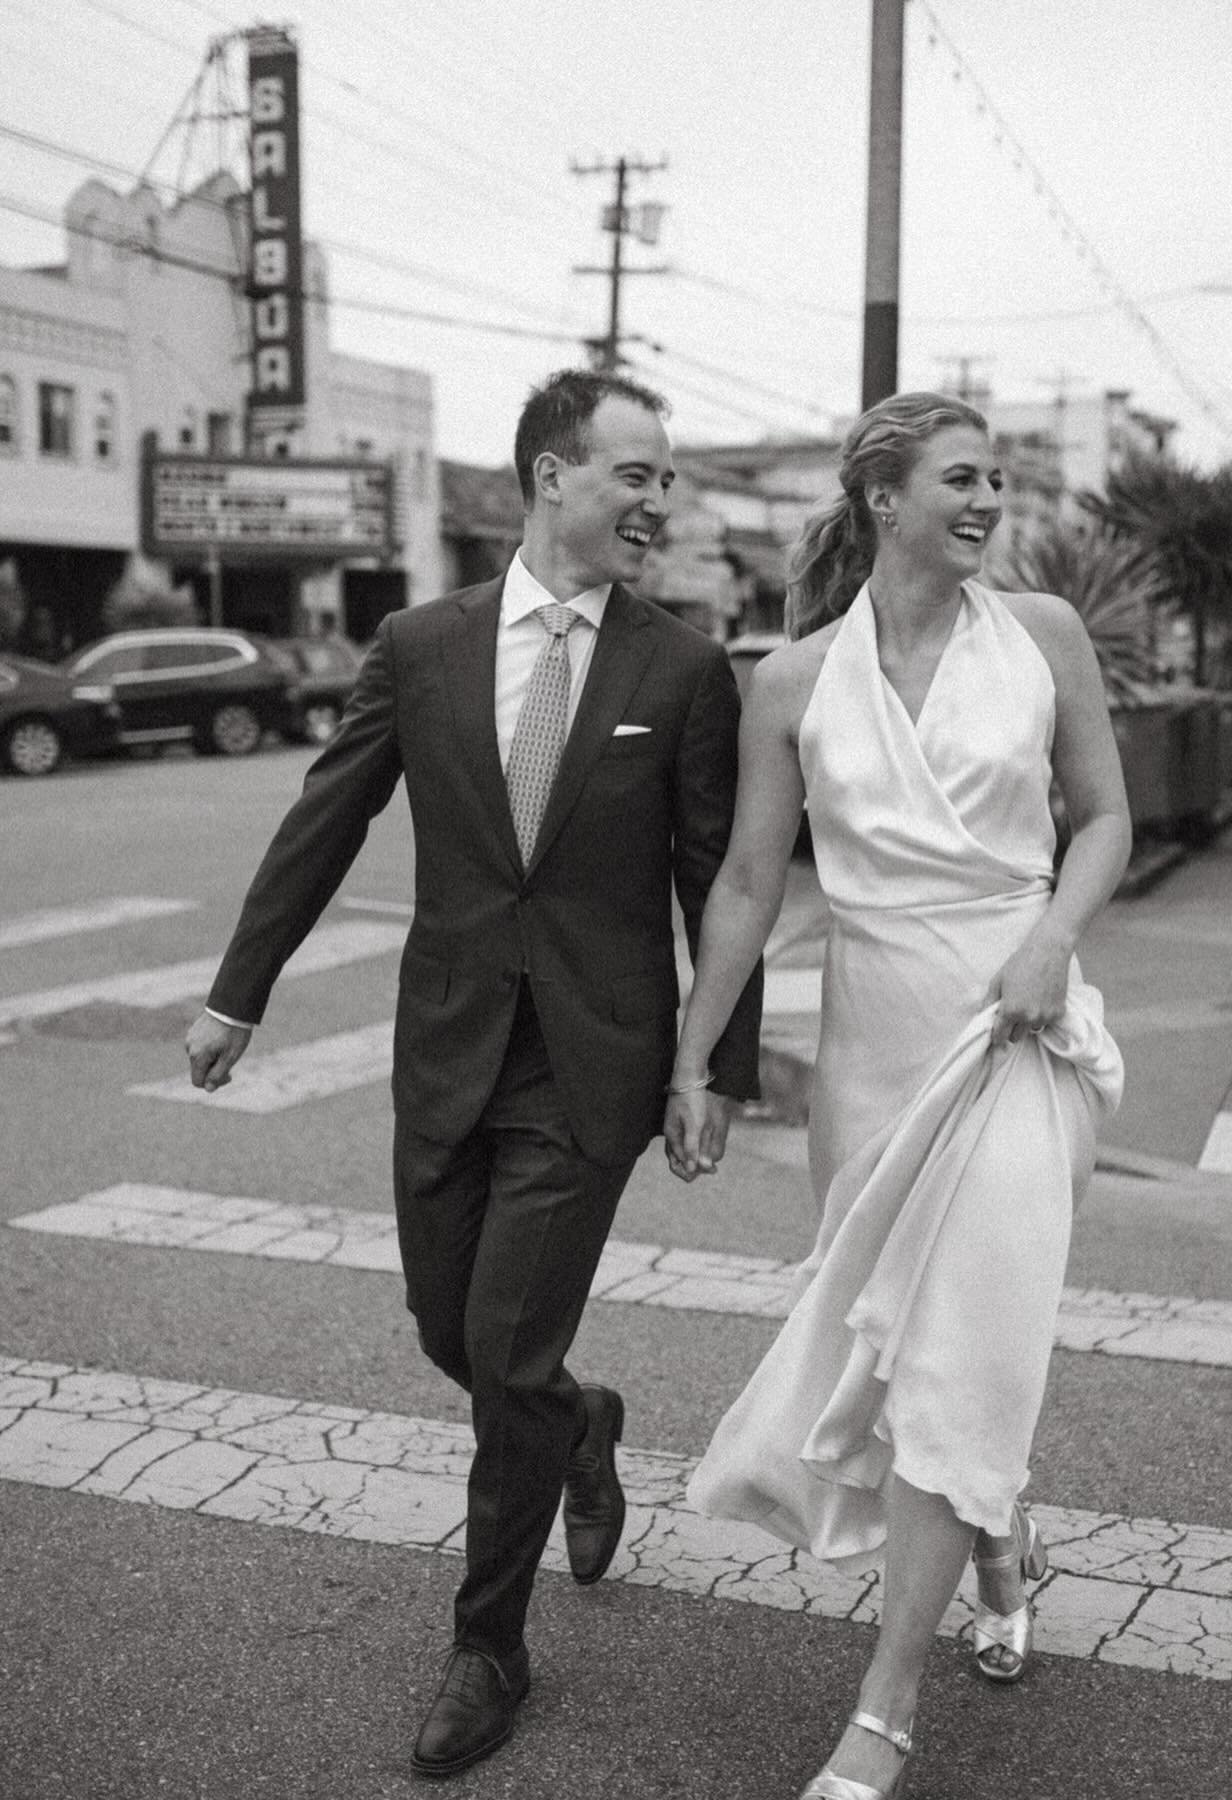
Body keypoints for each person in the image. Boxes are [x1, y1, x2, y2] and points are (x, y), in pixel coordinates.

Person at [185, 368, 763, 1781]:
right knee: (456, 1336)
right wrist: (235, 993)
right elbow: (325, 821)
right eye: (636, 474)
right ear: (551, 477)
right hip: (447, 1047)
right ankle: (582, 1423)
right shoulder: (421, 644)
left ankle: (488, 1646)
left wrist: (711, 1069)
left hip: (592, 1066)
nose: (656, 501)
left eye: (666, 478)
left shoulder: (681, 670)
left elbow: (715, 882)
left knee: (501, 1351)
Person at [664, 391, 1128, 1799]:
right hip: (870, 1051)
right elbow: (749, 884)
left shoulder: (1044, 636)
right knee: (918, 1359)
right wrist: (694, 1060)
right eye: (961, 480)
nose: (988, 503)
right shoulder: (792, 680)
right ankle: (1000, 1540)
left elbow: (1106, 816)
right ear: (882, 498)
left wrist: (1052, 939)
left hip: (1016, 1036)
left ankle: (887, 1705)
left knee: (956, 1345)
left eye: (997, 481)